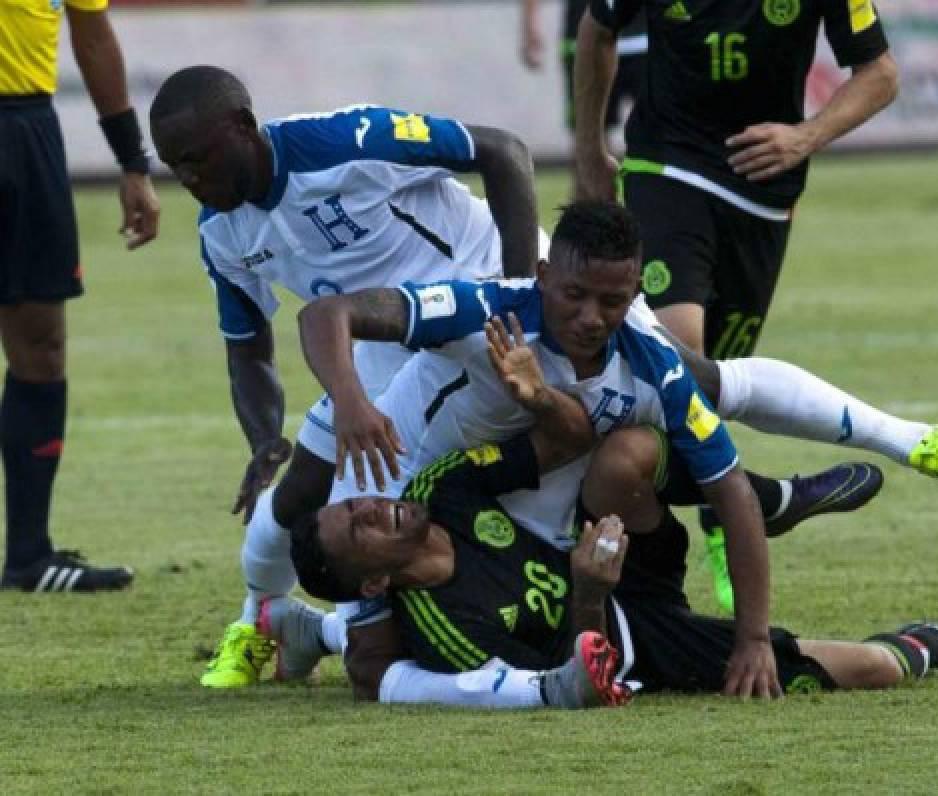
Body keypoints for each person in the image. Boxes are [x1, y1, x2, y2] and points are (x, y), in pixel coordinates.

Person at [298, 200, 881, 698]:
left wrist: (753, 638)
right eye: (574, 295)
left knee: (630, 452)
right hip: (430, 490)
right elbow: (329, 312)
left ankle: (786, 496)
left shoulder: (655, 365)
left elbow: (719, 487)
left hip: (564, 527)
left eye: (613, 301)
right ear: (544, 274)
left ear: (636, 292)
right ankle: (304, 626)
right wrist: (350, 402)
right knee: (378, 660)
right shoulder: (484, 310)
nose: (591, 318)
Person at [571, 1, 938, 610]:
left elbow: (881, 74)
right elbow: (597, 26)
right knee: (677, 360)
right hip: (667, 167)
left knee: (716, 388)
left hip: (764, 195)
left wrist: (805, 136)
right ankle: (761, 500)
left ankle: (723, 516)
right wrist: (589, 147)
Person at [148, 64, 540, 686]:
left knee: (590, 434)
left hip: (485, 295)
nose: (189, 179)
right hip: (382, 343)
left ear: (244, 128)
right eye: (175, 167)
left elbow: (502, 151)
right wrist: (263, 438)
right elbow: (248, 347)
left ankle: (357, 650)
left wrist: (520, 298)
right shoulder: (221, 233)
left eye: (197, 158)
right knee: (307, 502)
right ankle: (261, 625)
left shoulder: (344, 142)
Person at [286, 420, 938, 706]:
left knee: (626, 452)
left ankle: (743, 502)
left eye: (357, 501)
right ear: (374, 581)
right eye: (358, 527)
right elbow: (579, 678)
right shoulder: (447, 633)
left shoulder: (437, 487)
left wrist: (537, 394)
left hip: (614, 564)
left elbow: (564, 439)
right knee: (869, 670)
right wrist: (586, 592)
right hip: (632, 638)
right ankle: (934, 642)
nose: (372, 506)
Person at [0, 0, 160, 592]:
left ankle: (29, 557)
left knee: (41, 346)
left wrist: (132, 164)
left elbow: (93, 37)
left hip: (24, 131)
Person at [519, 0, 646, 198]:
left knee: (658, 133)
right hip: (584, 33)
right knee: (588, 142)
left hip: (645, 36)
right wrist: (530, 24)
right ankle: (588, 221)